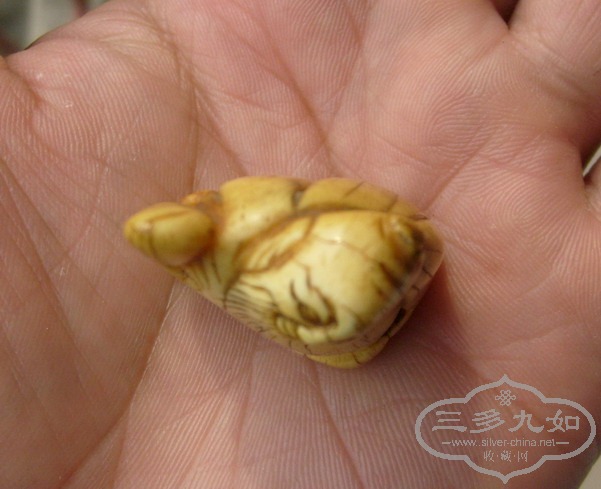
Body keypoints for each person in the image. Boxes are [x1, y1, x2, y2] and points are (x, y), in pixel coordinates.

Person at [0, 1, 599, 487]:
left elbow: (325, 207)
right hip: (348, 284)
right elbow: (322, 215)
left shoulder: (244, 226)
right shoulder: (239, 245)